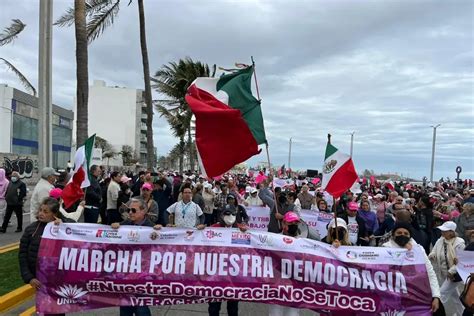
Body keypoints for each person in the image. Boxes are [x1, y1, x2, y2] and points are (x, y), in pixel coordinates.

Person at [19, 198, 74, 316]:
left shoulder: (62, 227)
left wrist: (63, 223)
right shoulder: (31, 230)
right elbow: (22, 255)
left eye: (45, 211)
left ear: (54, 214)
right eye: (40, 210)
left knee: (57, 310)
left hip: (58, 280)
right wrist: (29, 277)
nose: (41, 213)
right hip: (39, 281)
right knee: (44, 310)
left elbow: (76, 232)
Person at [382, 222, 441, 314]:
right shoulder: (384, 249)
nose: (402, 235)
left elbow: (430, 273)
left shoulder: (418, 250)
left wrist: (436, 296)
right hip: (393, 296)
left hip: (416, 297)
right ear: (393, 235)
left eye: (406, 234)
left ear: (410, 236)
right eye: (399, 233)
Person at [111, 198, 154, 316]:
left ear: (143, 211)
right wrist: (115, 227)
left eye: (133, 210)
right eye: (129, 210)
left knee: (141, 309)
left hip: (143, 275)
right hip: (126, 275)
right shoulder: (125, 224)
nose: (130, 212)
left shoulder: (151, 227)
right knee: (125, 309)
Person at [208, 205, 247, 316]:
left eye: (233, 214)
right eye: (227, 214)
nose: (230, 216)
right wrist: (200, 229)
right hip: (216, 275)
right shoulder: (213, 228)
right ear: (222, 215)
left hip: (233, 275)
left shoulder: (240, 229)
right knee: (214, 307)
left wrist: (247, 232)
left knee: (233, 307)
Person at [429, 221, 465, 316]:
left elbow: (461, 260)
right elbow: (434, 250)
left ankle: (434, 313)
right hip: (444, 272)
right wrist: (432, 255)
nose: (442, 232)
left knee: (441, 294)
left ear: (451, 232)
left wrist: (452, 271)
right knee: (455, 297)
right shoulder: (441, 239)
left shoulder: (459, 243)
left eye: (444, 231)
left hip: (454, 275)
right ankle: (462, 313)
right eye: (442, 230)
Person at [269, 211, 302, 316]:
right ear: (283, 224)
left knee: (292, 314)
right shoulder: (274, 239)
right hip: (276, 284)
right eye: (290, 224)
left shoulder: (304, 242)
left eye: (295, 224)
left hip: (295, 285)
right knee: (275, 314)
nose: (293, 226)